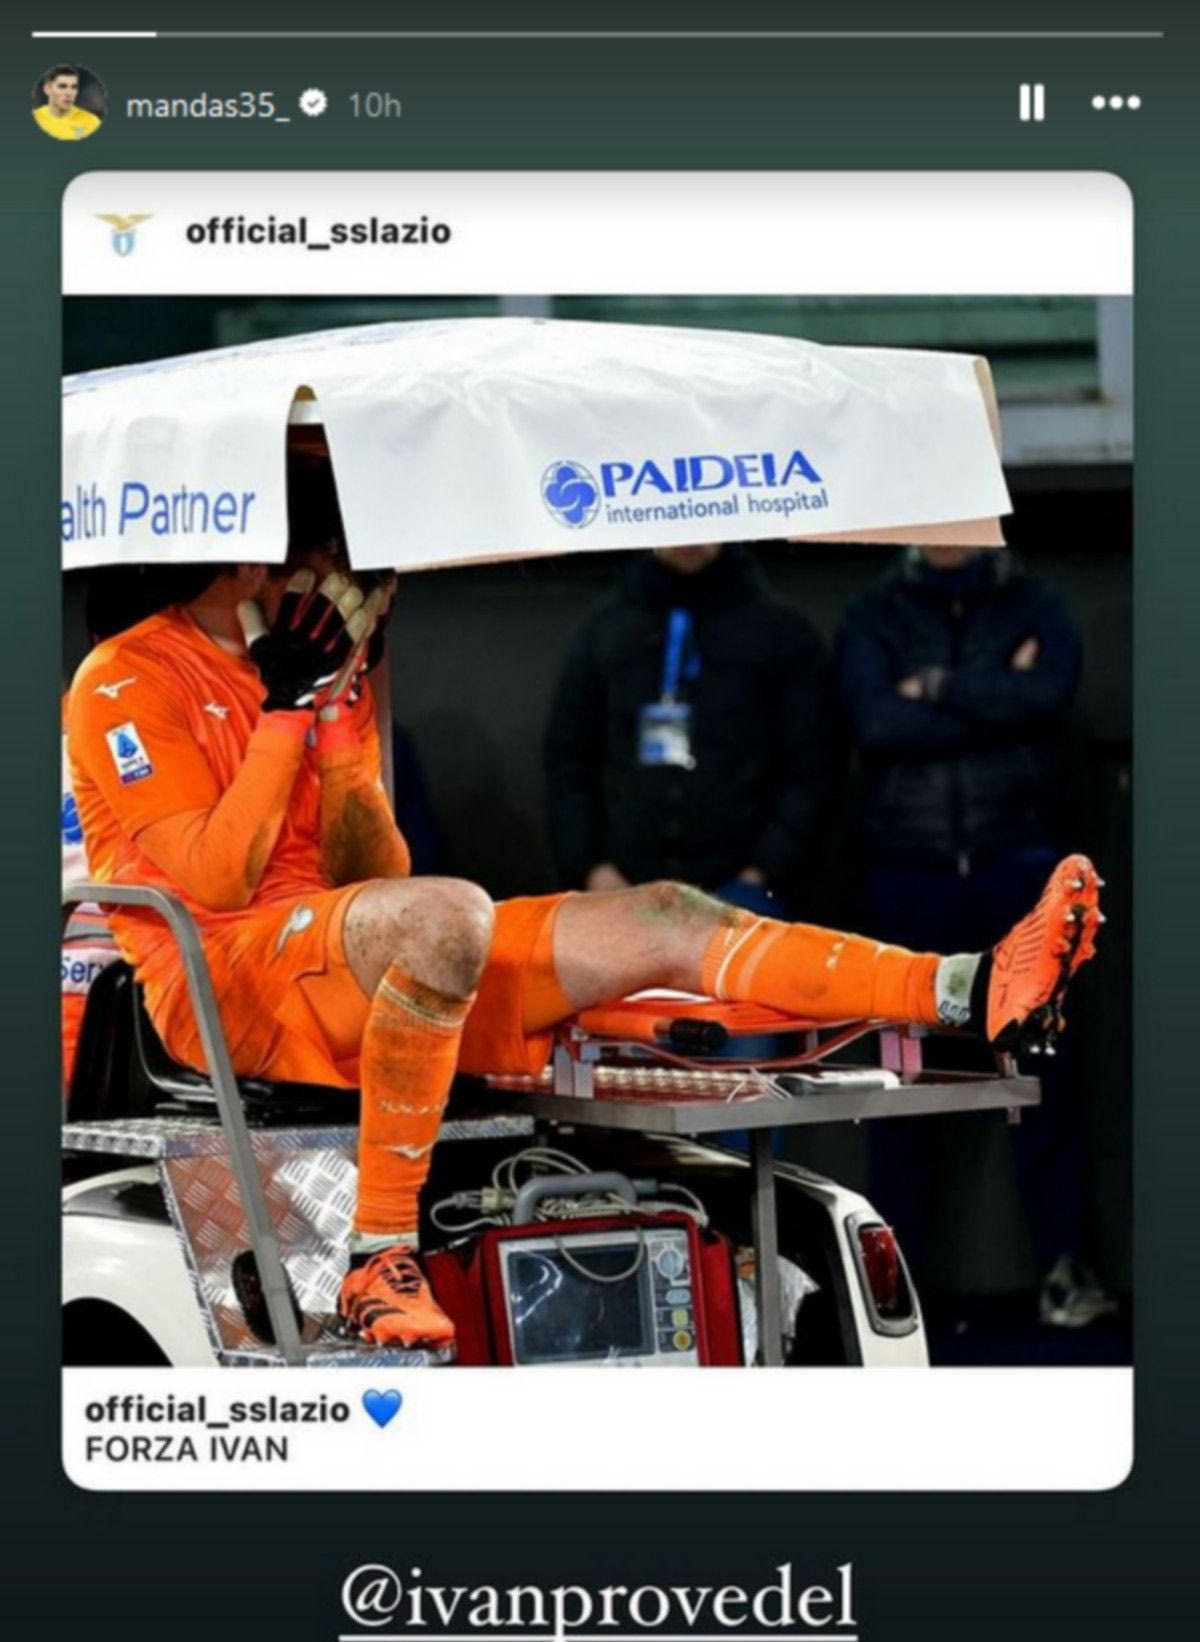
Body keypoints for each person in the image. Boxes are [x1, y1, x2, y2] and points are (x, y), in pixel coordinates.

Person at [67, 461, 1102, 1353]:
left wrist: (335, 714)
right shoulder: (124, 676)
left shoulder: (308, 671)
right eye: (340, 561)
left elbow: (372, 870)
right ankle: (380, 1255)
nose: (361, 586)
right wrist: (288, 712)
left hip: (352, 962)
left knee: (667, 916)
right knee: (448, 916)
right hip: (227, 986)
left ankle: (965, 988)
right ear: (258, 562)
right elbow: (215, 879)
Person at [837, 542, 1113, 1330]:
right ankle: (894, 1288)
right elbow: (875, 721)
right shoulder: (874, 613)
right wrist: (995, 692)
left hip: (1017, 872)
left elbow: (1047, 695)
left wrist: (934, 686)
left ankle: (1065, 1266)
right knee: (903, 1086)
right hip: (911, 873)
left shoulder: (1037, 603)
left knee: (1044, 1082)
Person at [544, 543, 830, 915]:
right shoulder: (604, 629)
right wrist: (592, 868)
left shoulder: (783, 632)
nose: (688, 541)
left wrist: (765, 873)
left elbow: (813, 763)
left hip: (744, 892)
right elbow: (568, 759)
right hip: (623, 889)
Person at [34, 66, 101, 141]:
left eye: (74, 87)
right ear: (47, 89)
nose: (69, 93)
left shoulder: (91, 121)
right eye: (62, 86)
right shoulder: (36, 118)